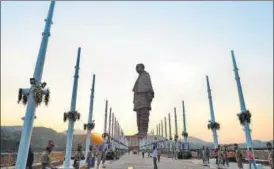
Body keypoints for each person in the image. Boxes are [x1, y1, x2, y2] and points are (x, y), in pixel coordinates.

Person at [133, 63, 154, 139]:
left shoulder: (146, 75)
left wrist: (149, 95)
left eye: (138, 67)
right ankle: (140, 131)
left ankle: (144, 132)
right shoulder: (139, 77)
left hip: (144, 98)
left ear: (142, 67)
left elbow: (148, 86)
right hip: (138, 99)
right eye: (136, 68)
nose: (137, 69)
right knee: (138, 115)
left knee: (144, 115)